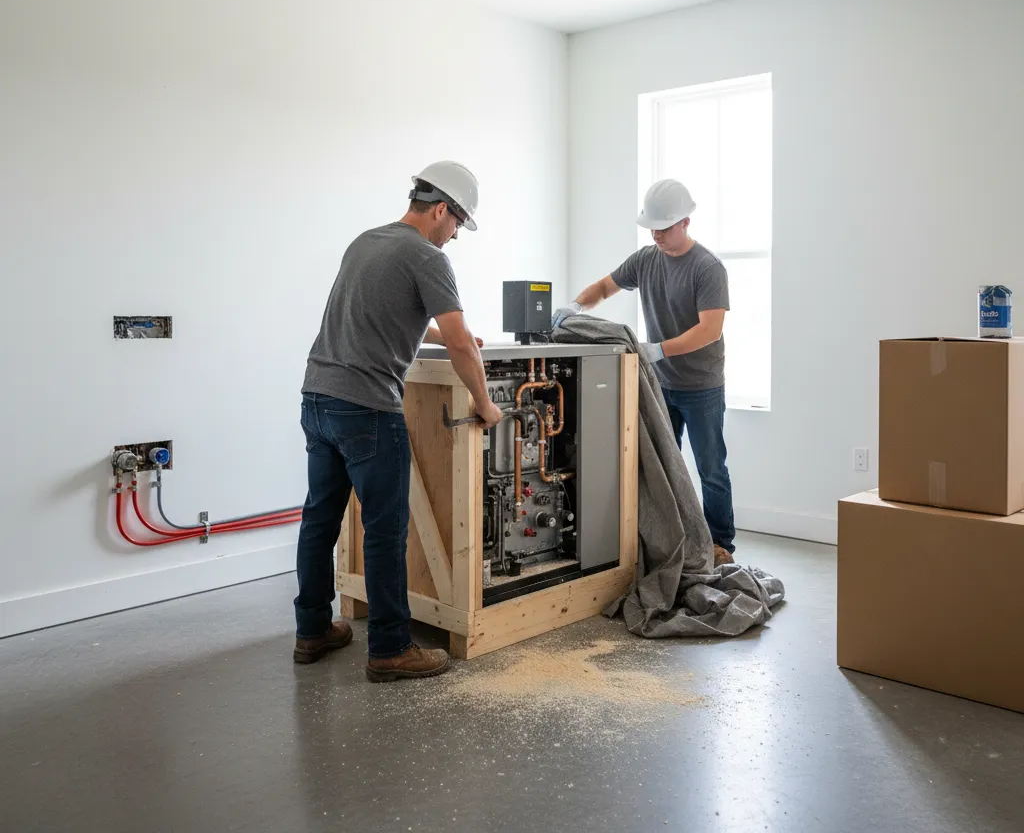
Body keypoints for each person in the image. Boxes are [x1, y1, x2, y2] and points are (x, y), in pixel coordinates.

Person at [294, 161, 503, 681]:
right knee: (385, 530)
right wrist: (486, 403)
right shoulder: (427, 255)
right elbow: (458, 338)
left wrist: (430, 338)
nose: (455, 235)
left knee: (319, 521)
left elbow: (372, 316)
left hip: (317, 398)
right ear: (440, 210)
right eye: (457, 224)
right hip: (366, 408)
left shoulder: (366, 241)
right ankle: (390, 648)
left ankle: (313, 631)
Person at [552, 179, 736, 566]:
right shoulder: (646, 259)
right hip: (661, 384)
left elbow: (710, 329)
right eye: (652, 228)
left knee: (710, 469)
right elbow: (605, 286)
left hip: (701, 385)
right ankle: (668, 538)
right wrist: (575, 305)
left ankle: (720, 545)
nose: (657, 235)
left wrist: (659, 349)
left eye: (664, 228)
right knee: (661, 466)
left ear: (685, 222)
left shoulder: (707, 268)